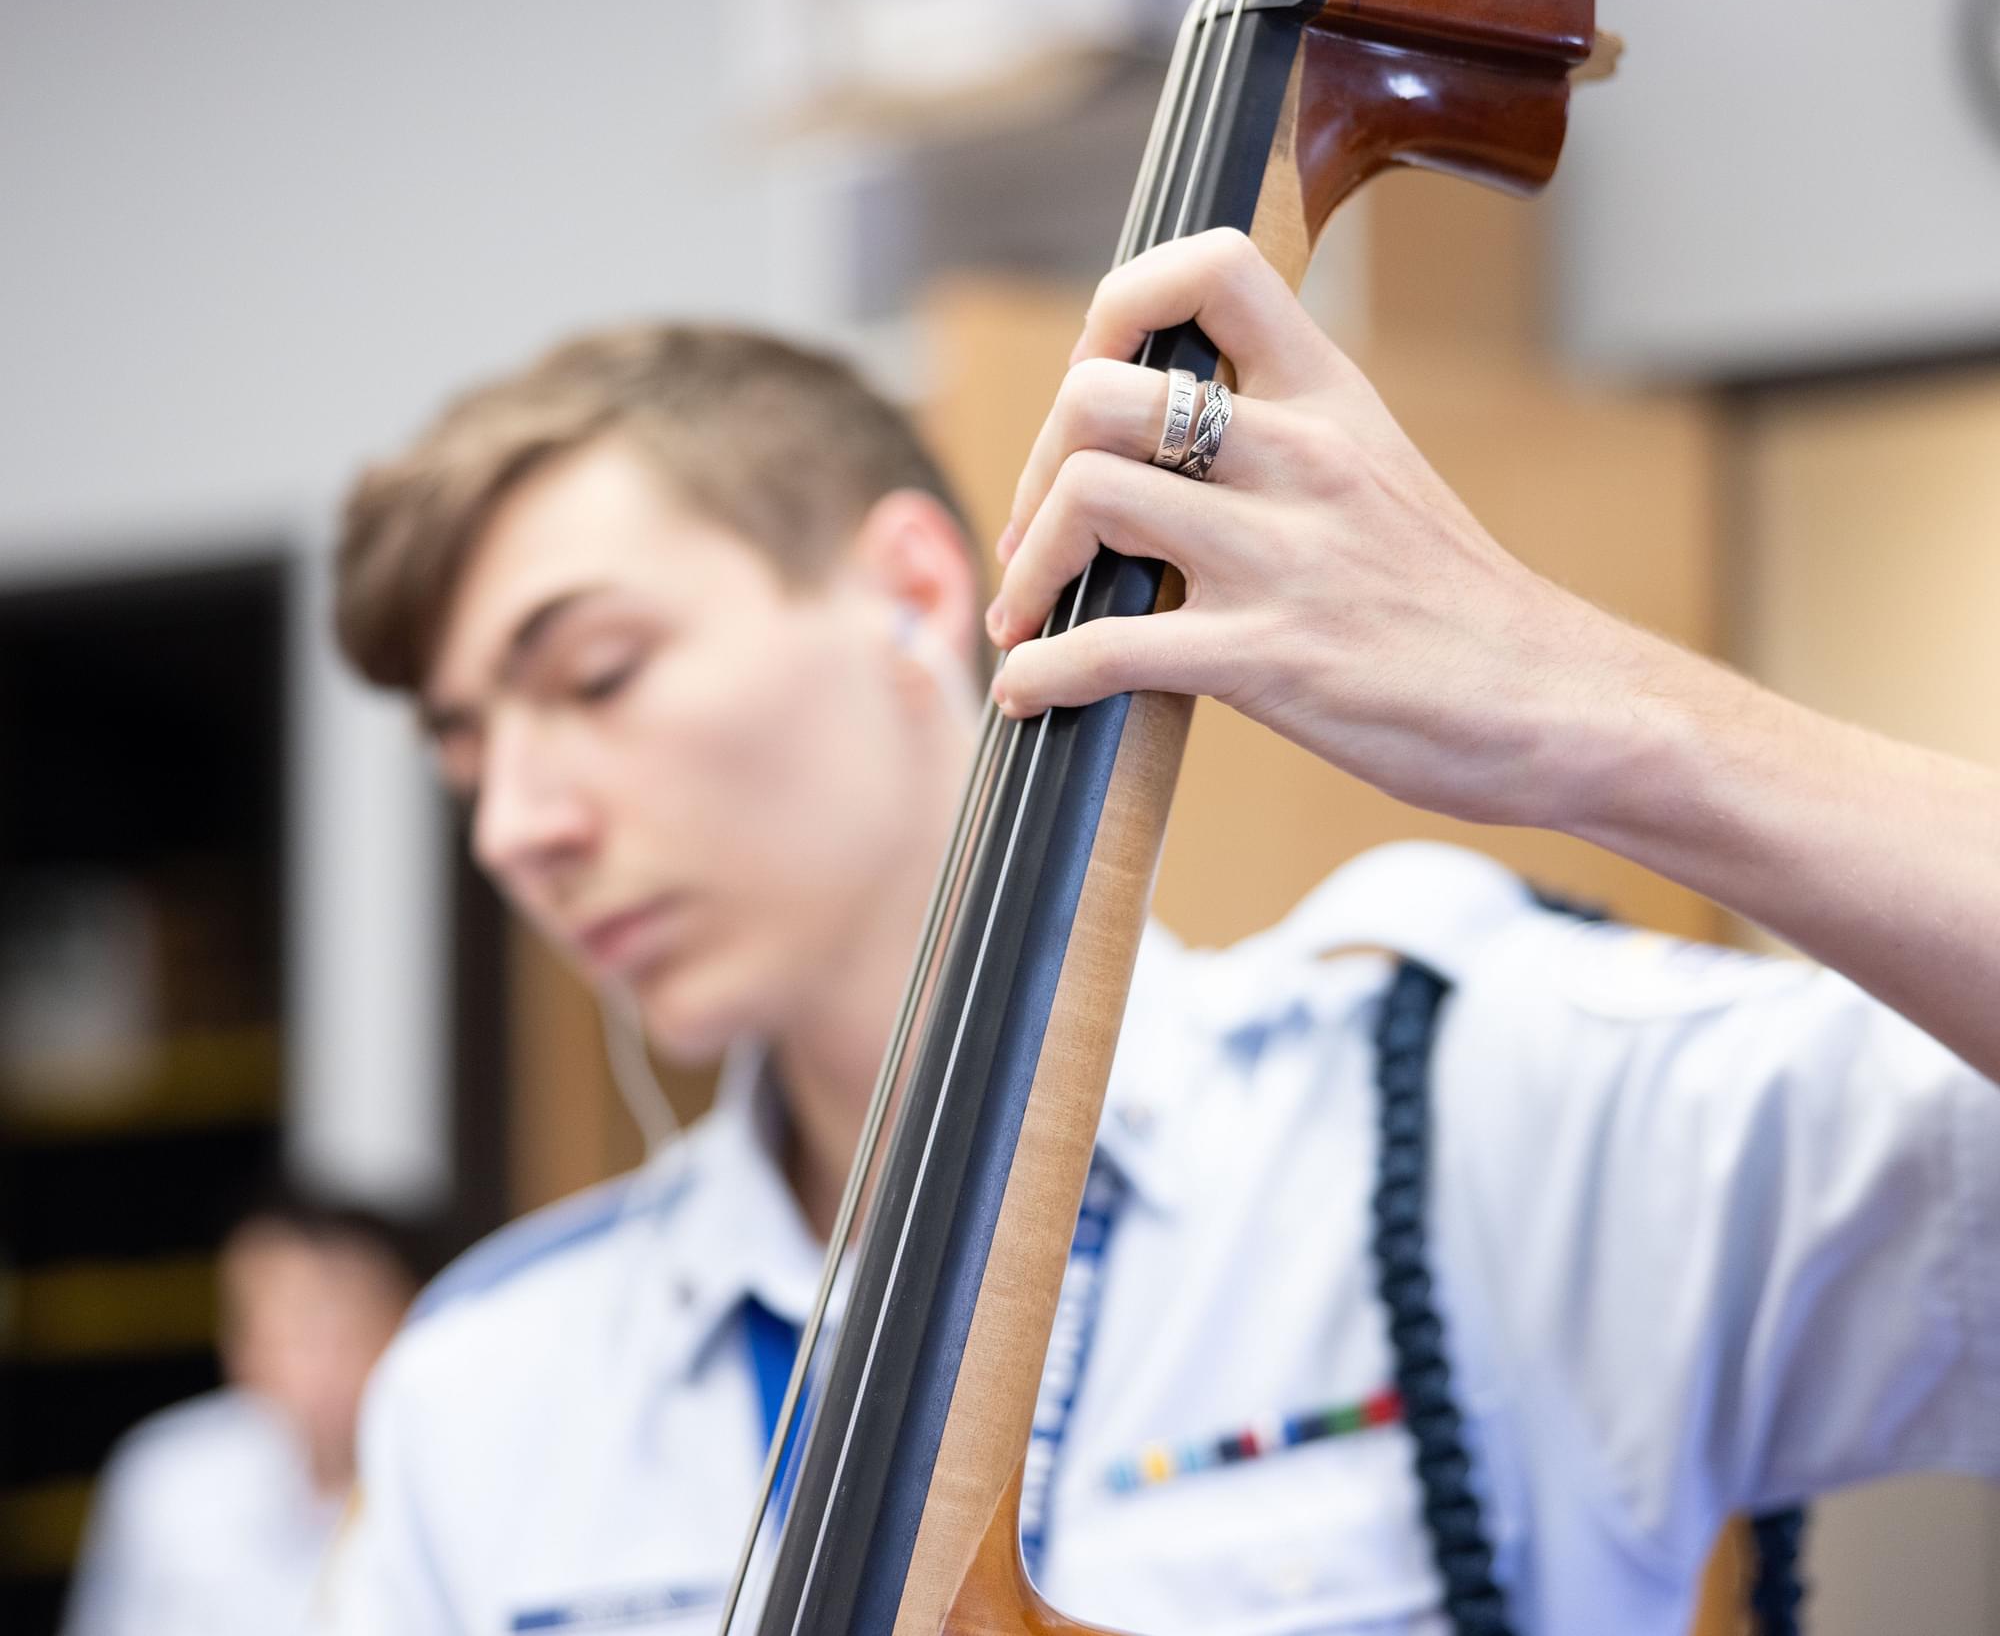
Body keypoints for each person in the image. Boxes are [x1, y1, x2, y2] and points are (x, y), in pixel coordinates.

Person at [315, 249, 1999, 1636]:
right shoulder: (488, 1383)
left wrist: (1596, 713)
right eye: (463, 744)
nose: (513, 822)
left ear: (908, 589)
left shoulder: (1494, 1103)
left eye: (594, 676)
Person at [63, 1186, 417, 1636]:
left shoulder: (443, 1480)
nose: (325, 1366)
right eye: (293, 1335)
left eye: (347, 1331)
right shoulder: (168, 1479)